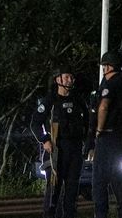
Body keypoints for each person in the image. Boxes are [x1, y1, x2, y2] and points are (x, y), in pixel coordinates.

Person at [30, 65, 89, 218]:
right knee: (53, 193)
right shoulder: (49, 100)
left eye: (72, 77)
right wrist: (45, 140)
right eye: (67, 77)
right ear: (58, 79)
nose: (70, 80)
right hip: (56, 149)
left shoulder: (78, 100)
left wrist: (89, 143)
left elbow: (88, 122)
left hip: (75, 149)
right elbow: (35, 123)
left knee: (72, 192)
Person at [87, 51, 122, 218]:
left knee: (99, 182)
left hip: (108, 137)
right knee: (120, 182)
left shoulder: (110, 84)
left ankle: (101, 215)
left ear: (109, 66)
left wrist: (98, 130)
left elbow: (104, 107)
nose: (104, 69)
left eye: (105, 66)